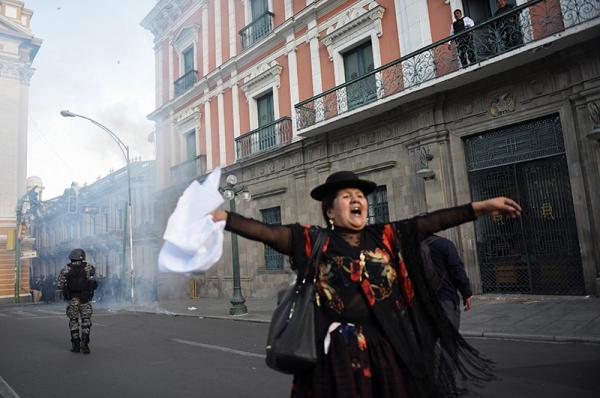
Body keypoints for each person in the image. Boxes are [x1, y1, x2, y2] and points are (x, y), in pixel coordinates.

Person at [212, 170, 521, 397]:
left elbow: (433, 221)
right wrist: (226, 217)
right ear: (331, 211)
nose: (356, 200)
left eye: (360, 196)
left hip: (388, 349)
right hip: (336, 357)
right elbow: (264, 231)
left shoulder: (385, 236)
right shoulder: (312, 240)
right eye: (347, 197)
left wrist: (480, 208)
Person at [426, 234, 473, 330]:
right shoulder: (444, 244)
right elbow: (457, 270)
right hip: (445, 298)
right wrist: (466, 293)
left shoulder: (413, 249)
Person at [57, 248, 98, 354]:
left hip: (72, 299)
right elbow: (93, 277)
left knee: (74, 321)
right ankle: (85, 343)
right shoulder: (88, 267)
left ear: (71, 257)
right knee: (86, 321)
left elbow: (60, 284)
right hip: (85, 299)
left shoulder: (66, 269)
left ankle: (75, 345)